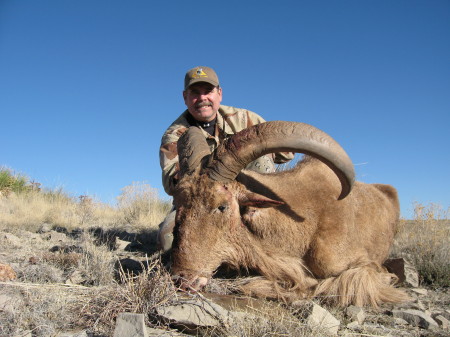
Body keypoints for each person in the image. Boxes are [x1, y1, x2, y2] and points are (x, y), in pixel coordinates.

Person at [158, 66, 294, 251]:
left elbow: (285, 154)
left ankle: (268, 226)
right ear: (185, 97)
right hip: (199, 203)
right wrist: (207, 179)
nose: (202, 98)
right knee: (168, 243)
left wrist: (269, 146)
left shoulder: (246, 119)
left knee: (262, 159)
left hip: (246, 196)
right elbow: (170, 182)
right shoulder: (175, 135)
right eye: (195, 93)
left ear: (219, 93)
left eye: (208, 91)